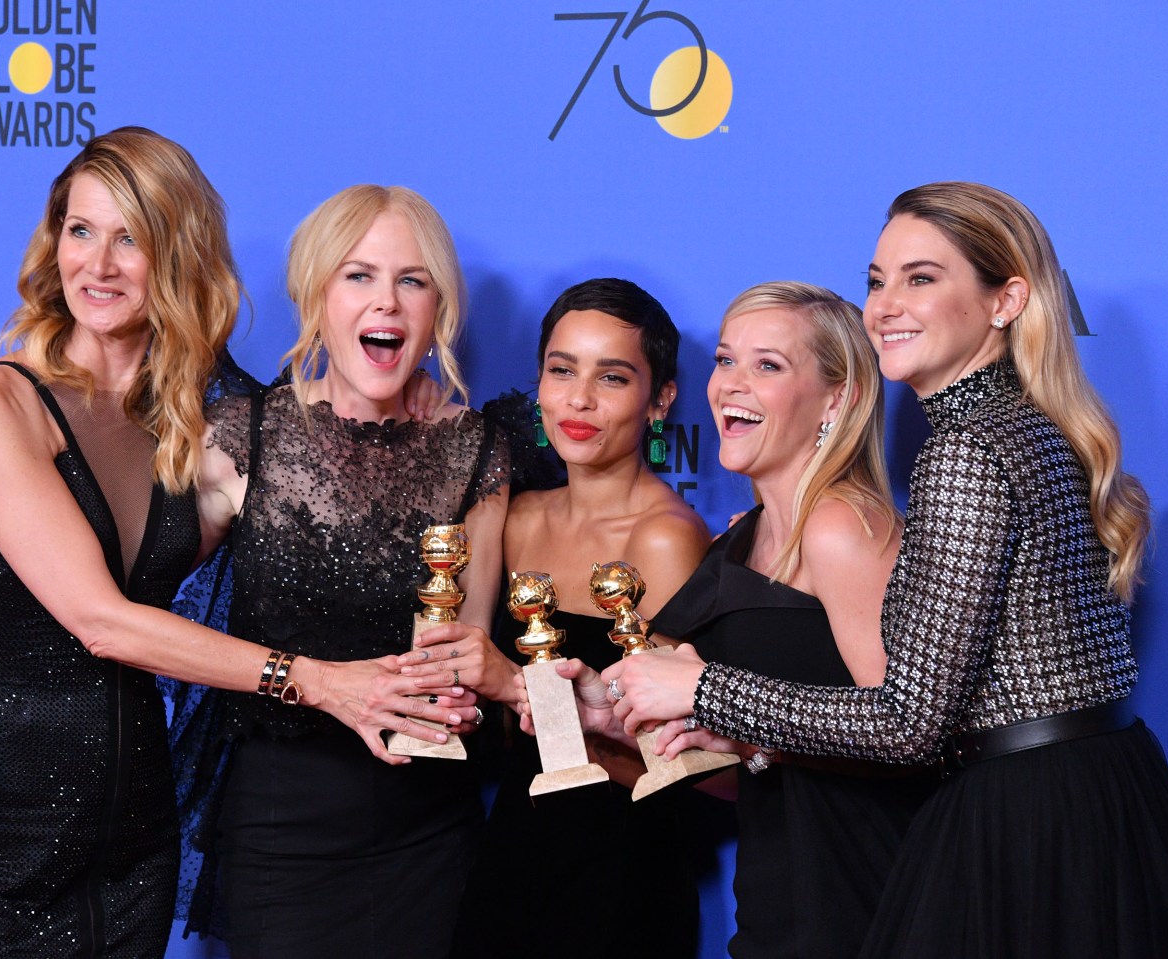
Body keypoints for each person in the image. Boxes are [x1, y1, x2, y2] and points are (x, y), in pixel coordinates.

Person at [607, 183, 1168, 958]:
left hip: (1026, 828)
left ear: (1005, 299)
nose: (884, 305)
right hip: (1105, 804)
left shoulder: (965, 449)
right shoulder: (1032, 426)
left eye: (921, 278)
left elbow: (908, 725)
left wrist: (702, 687)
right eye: (877, 280)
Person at [0, 130, 469, 959]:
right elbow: (99, 618)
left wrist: (430, 428)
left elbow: (338, 536)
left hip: (130, 849)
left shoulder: (203, 434)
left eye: (132, 238)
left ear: (178, 254)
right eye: (80, 231)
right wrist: (318, 684)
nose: (100, 263)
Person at [166, 183, 510, 958]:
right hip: (281, 827)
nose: (386, 301)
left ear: (438, 308)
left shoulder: (478, 450)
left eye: (412, 280)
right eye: (358, 275)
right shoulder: (243, 434)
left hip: (429, 827)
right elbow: (127, 599)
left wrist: (478, 690)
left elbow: (469, 643)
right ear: (317, 293)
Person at [543, 281, 931, 958]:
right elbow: (746, 772)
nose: (731, 386)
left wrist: (704, 695)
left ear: (835, 399)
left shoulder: (843, 526)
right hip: (778, 907)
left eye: (768, 365)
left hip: (870, 902)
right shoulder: (741, 541)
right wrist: (616, 729)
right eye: (726, 360)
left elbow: (909, 740)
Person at [403, 278, 712, 958]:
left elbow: (676, 757)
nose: (579, 399)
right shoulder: (518, 517)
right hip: (512, 846)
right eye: (562, 369)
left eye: (613, 376)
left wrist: (512, 679)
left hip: (623, 864)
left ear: (660, 400)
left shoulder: (666, 538)